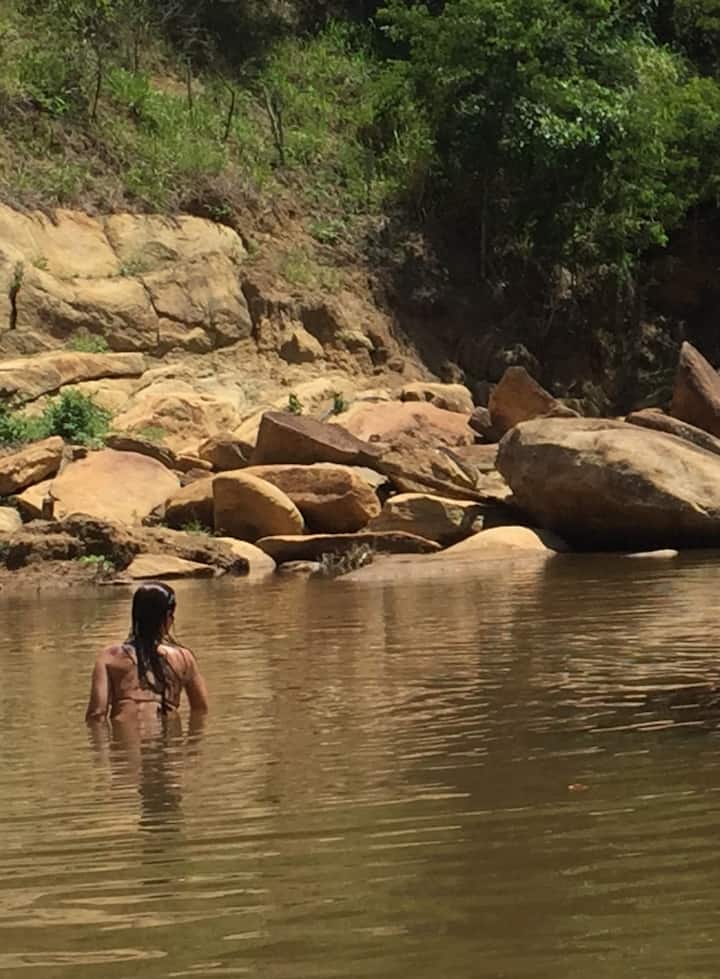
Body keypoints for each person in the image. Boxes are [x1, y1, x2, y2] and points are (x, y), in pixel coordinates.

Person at [85, 582, 208, 723]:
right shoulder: (183, 657)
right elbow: (200, 710)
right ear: (168, 616)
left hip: (126, 736)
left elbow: (97, 714)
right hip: (169, 735)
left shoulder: (109, 657)